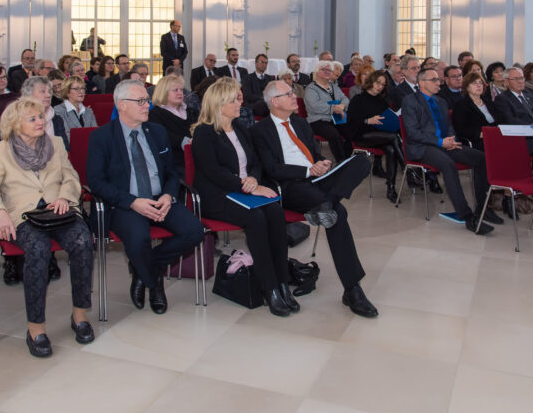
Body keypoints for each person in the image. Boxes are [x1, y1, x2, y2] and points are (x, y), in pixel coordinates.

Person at [0, 98, 96, 357]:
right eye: (32, 119)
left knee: (82, 241)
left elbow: (71, 177)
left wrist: (64, 197)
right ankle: (36, 328)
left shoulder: (56, 144)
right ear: (15, 124)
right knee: (39, 249)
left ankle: (80, 315)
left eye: (40, 117)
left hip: (58, 210)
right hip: (23, 215)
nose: (40, 122)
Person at [251, 80, 378, 318]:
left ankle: (325, 204)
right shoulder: (260, 130)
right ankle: (353, 289)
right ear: (274, 101)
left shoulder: (300, 123)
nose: (294, 96)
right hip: (291, 185)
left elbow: (314, 153)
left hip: (317, 180)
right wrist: (307, 171)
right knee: (338, 214)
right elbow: (271, 168)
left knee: (362, 161)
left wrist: (322, 163)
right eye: (288, 93)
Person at [86, 80, 204, 315]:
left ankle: (143, 269)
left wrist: (168, 195)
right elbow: (97, 182)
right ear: (122, 105)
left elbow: (171, 172)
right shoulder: (102, 136)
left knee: (195, 231)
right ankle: (155, 283)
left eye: (147, 101)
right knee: (139, 238)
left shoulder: (156, 131)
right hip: (125, 203)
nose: (147, 106)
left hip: (160, 198)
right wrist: (132, 202)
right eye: (140, 101)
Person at [190, 79, 297, 316]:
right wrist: (246, 186)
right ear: (219, 104)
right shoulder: (204, 132)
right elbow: (213, 172)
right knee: (256, 218)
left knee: (275, 212)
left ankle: (282, 282)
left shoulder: (239, 128)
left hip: (244, 190)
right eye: (234, 100)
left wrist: (254, 180)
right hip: (217, 195)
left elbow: (255, 163)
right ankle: (269, 288)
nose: (240, 103)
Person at [403, 69, 496, 232]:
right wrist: (440, 142)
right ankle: (467, 216)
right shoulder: (410, 101)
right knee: (448, 164)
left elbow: (449, 126)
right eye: (434, 80)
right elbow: (412, 132)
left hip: (445, 144)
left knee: (482, 158)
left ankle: (482, 209)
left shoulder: (441, 101)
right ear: (422, 83)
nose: (438, 83)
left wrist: (452, 140)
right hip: (422, 147)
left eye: (438, 80)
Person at [346, 69, 406, 202]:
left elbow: (386, 118)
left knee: (391, 149)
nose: (380, 86)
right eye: (378, 83)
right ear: (371, 81)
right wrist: (368, 121)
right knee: (393, 138)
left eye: (383, 84)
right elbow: (350, 122)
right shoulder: (358, 99)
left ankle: (391, 188)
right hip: (361, 134)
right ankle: (406, 167)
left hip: (379, 135)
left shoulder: (381, 100)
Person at [303, 60, 352, 162]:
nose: (327, 72)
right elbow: (314, 106)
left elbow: (344, 98)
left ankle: (347, 159)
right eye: (324, 69)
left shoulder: (333, 86)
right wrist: (334, 108)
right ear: (317, 72)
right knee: (334, 135)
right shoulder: (311, 88)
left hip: (336, 118)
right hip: (318, 121)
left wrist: (342, 106)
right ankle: (341, 162)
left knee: (351, 132)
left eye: (329, 70)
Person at [147, 73, 195, 175]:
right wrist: (183, 141)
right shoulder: (155, 114)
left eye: (181, 90)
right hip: (173, 162)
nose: (180, 93)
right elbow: (161, 136)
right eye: (175, 90)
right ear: (163, 92)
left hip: (195, 157)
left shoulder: (191, 111)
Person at [452, 72, 499, 152]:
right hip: (478, 141)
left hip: (495, 136)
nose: (478, 85)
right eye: (474, 83)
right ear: (467, 87)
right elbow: (460, 130)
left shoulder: (489, 102)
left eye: (480, 83)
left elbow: (499, 121)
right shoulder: (461, 105)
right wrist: (480, 134)